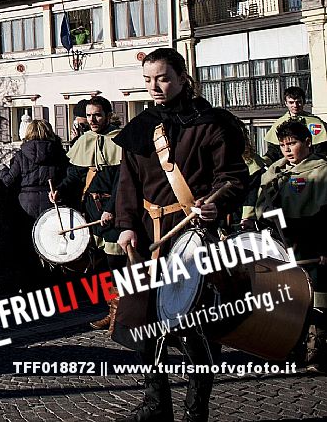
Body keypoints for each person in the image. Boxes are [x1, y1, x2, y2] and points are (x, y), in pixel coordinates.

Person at [113, 48, 247, 422]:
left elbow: (234, 177)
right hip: (147, 236)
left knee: (197, 327)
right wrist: (125, 224)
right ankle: (156, 403)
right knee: (142, 324)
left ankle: (195, 407)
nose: (155, 86)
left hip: (194, 237)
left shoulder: (212, 123)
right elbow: (128, 182)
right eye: (148, 80)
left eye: (163, 78)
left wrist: (216, 205)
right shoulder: (141, 127)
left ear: (182, 77)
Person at [254, 119, 327, 371]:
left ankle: (316, 353)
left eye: (292, 143)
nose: (287, 149)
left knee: (316, 299)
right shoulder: (274, 171)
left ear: (308, 142)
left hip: (311, 240)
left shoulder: (321, 171)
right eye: (283, 144)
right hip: (279, 240)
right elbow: (261, 204)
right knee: (287, 299)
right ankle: (287, 349)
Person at [54, 95, 123, 332]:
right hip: (92, 210)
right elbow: (75, 175)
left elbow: (122, 182)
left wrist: (112, 208)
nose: (93, 119)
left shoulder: (119, 140)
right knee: (100, 266)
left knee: (117, 264)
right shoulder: (84, 141)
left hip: (114, 210)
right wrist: (59, 192)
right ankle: (111, 309)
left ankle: (122, 315)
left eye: (98, 115)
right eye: (90, 115)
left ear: (108, 115)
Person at [0, 118, 68, 289]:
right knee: (51, 246)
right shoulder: (58, 153)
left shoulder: (21, 155)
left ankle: (29, 287)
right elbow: (68, 176)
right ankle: (52, 286)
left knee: (27, 247)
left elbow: (9, 180)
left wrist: (1, 168)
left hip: (26, 204)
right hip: (51, 203)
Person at [264, 86, 327, 163]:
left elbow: (322, 149)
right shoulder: (279, 123)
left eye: (298, 102)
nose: (295, 105)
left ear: (303, 102)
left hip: (313, 165)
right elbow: (274, 151)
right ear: (286, 103)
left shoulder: (316, 122)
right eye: (291, 102)